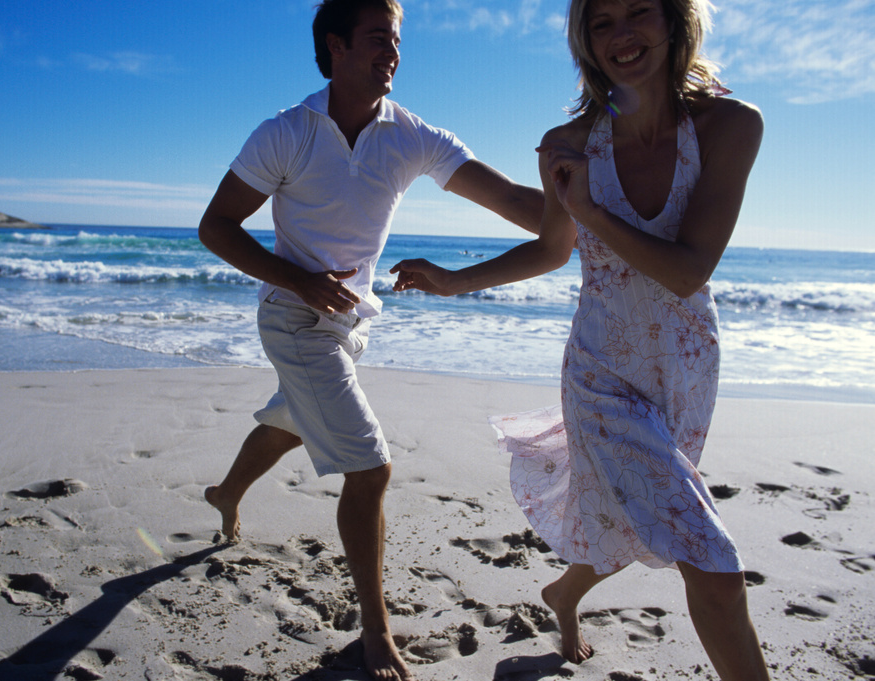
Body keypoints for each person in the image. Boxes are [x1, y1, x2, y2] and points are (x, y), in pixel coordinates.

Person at [390, 0, 768, 678]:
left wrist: (590, 209)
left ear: (675, 21)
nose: (623, 34)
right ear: (585, 43)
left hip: (684, 367)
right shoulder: (567, 144)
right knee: (711, 562)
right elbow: (550, 249)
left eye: (639, 12)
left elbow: (689, 270)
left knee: (632, 515)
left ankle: (564, 593)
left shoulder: (729, 126)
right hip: (600, 374)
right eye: (602, 22)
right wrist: (454, 280)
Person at [198, 1, 544, 678]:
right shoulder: (286, 132)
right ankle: (375, 634)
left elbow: (513, 201)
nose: (394, 52)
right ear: (336, 46)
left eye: (398, 40)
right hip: (294, 320)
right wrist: (299, 280)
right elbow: (217, 226)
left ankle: (226, 492)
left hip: (349, 323)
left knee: (291, 420)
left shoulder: (409, 134)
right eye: (380, 39)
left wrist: (597, 201)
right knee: (370, 466)